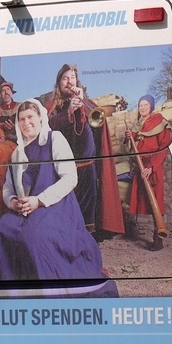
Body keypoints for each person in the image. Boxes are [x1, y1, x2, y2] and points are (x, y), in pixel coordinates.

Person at [0, 99, 117, 295]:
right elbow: (8, 187)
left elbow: (70, 178)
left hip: (56, 206)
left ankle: (47, 294)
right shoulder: (17, 153)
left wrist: (38, 200)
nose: (26, 123)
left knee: (35, 236)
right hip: (26, 208)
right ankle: (17, 291)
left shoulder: (54, 139)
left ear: (40, 117)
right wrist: (13, 202)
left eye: (30, 117)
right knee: (2, 228)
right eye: (22, 119)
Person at [45, 63, 126, 238]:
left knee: (88, 205)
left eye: (72, 77)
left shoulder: (87, 102)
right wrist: (68, 111)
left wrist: (82, 105)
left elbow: (98, 125)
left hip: (87, 164)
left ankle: (87, 241)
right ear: (59, 83)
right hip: (65, 167)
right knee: (66, 205)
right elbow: (48, 126)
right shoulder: (52, 106)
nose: (69, 81)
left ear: (77, 81)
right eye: (65, 78)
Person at [126, 94, 172, 250]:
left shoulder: (159, 120)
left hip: (153, 166)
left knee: (157, 202)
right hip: (140, 166)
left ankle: (158, 237)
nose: (142, 107)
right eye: (140, 105)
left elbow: (163, 148)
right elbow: (141, 141)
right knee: (145, 200)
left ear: (151, 106)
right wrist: (131, 136)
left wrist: (151, 167)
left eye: (145, 104)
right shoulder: (140, 124)